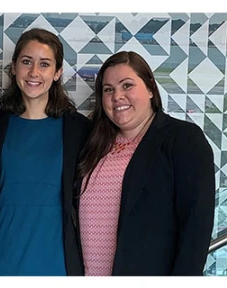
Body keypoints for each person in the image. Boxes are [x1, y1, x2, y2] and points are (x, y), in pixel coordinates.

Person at [76, 51, 215, 276]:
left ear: (150, 88)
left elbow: (195, 228)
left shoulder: (182, 139)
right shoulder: (94, 143)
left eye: (127, 85)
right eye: (108, 89)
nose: (117, 96)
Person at [0, 28, 90, 276]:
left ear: (57, 73)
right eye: (26, 62)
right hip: (2, 259)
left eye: (44, 64)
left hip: (57, 263)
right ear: (14, 67)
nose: (33, 72)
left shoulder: (79, 130)